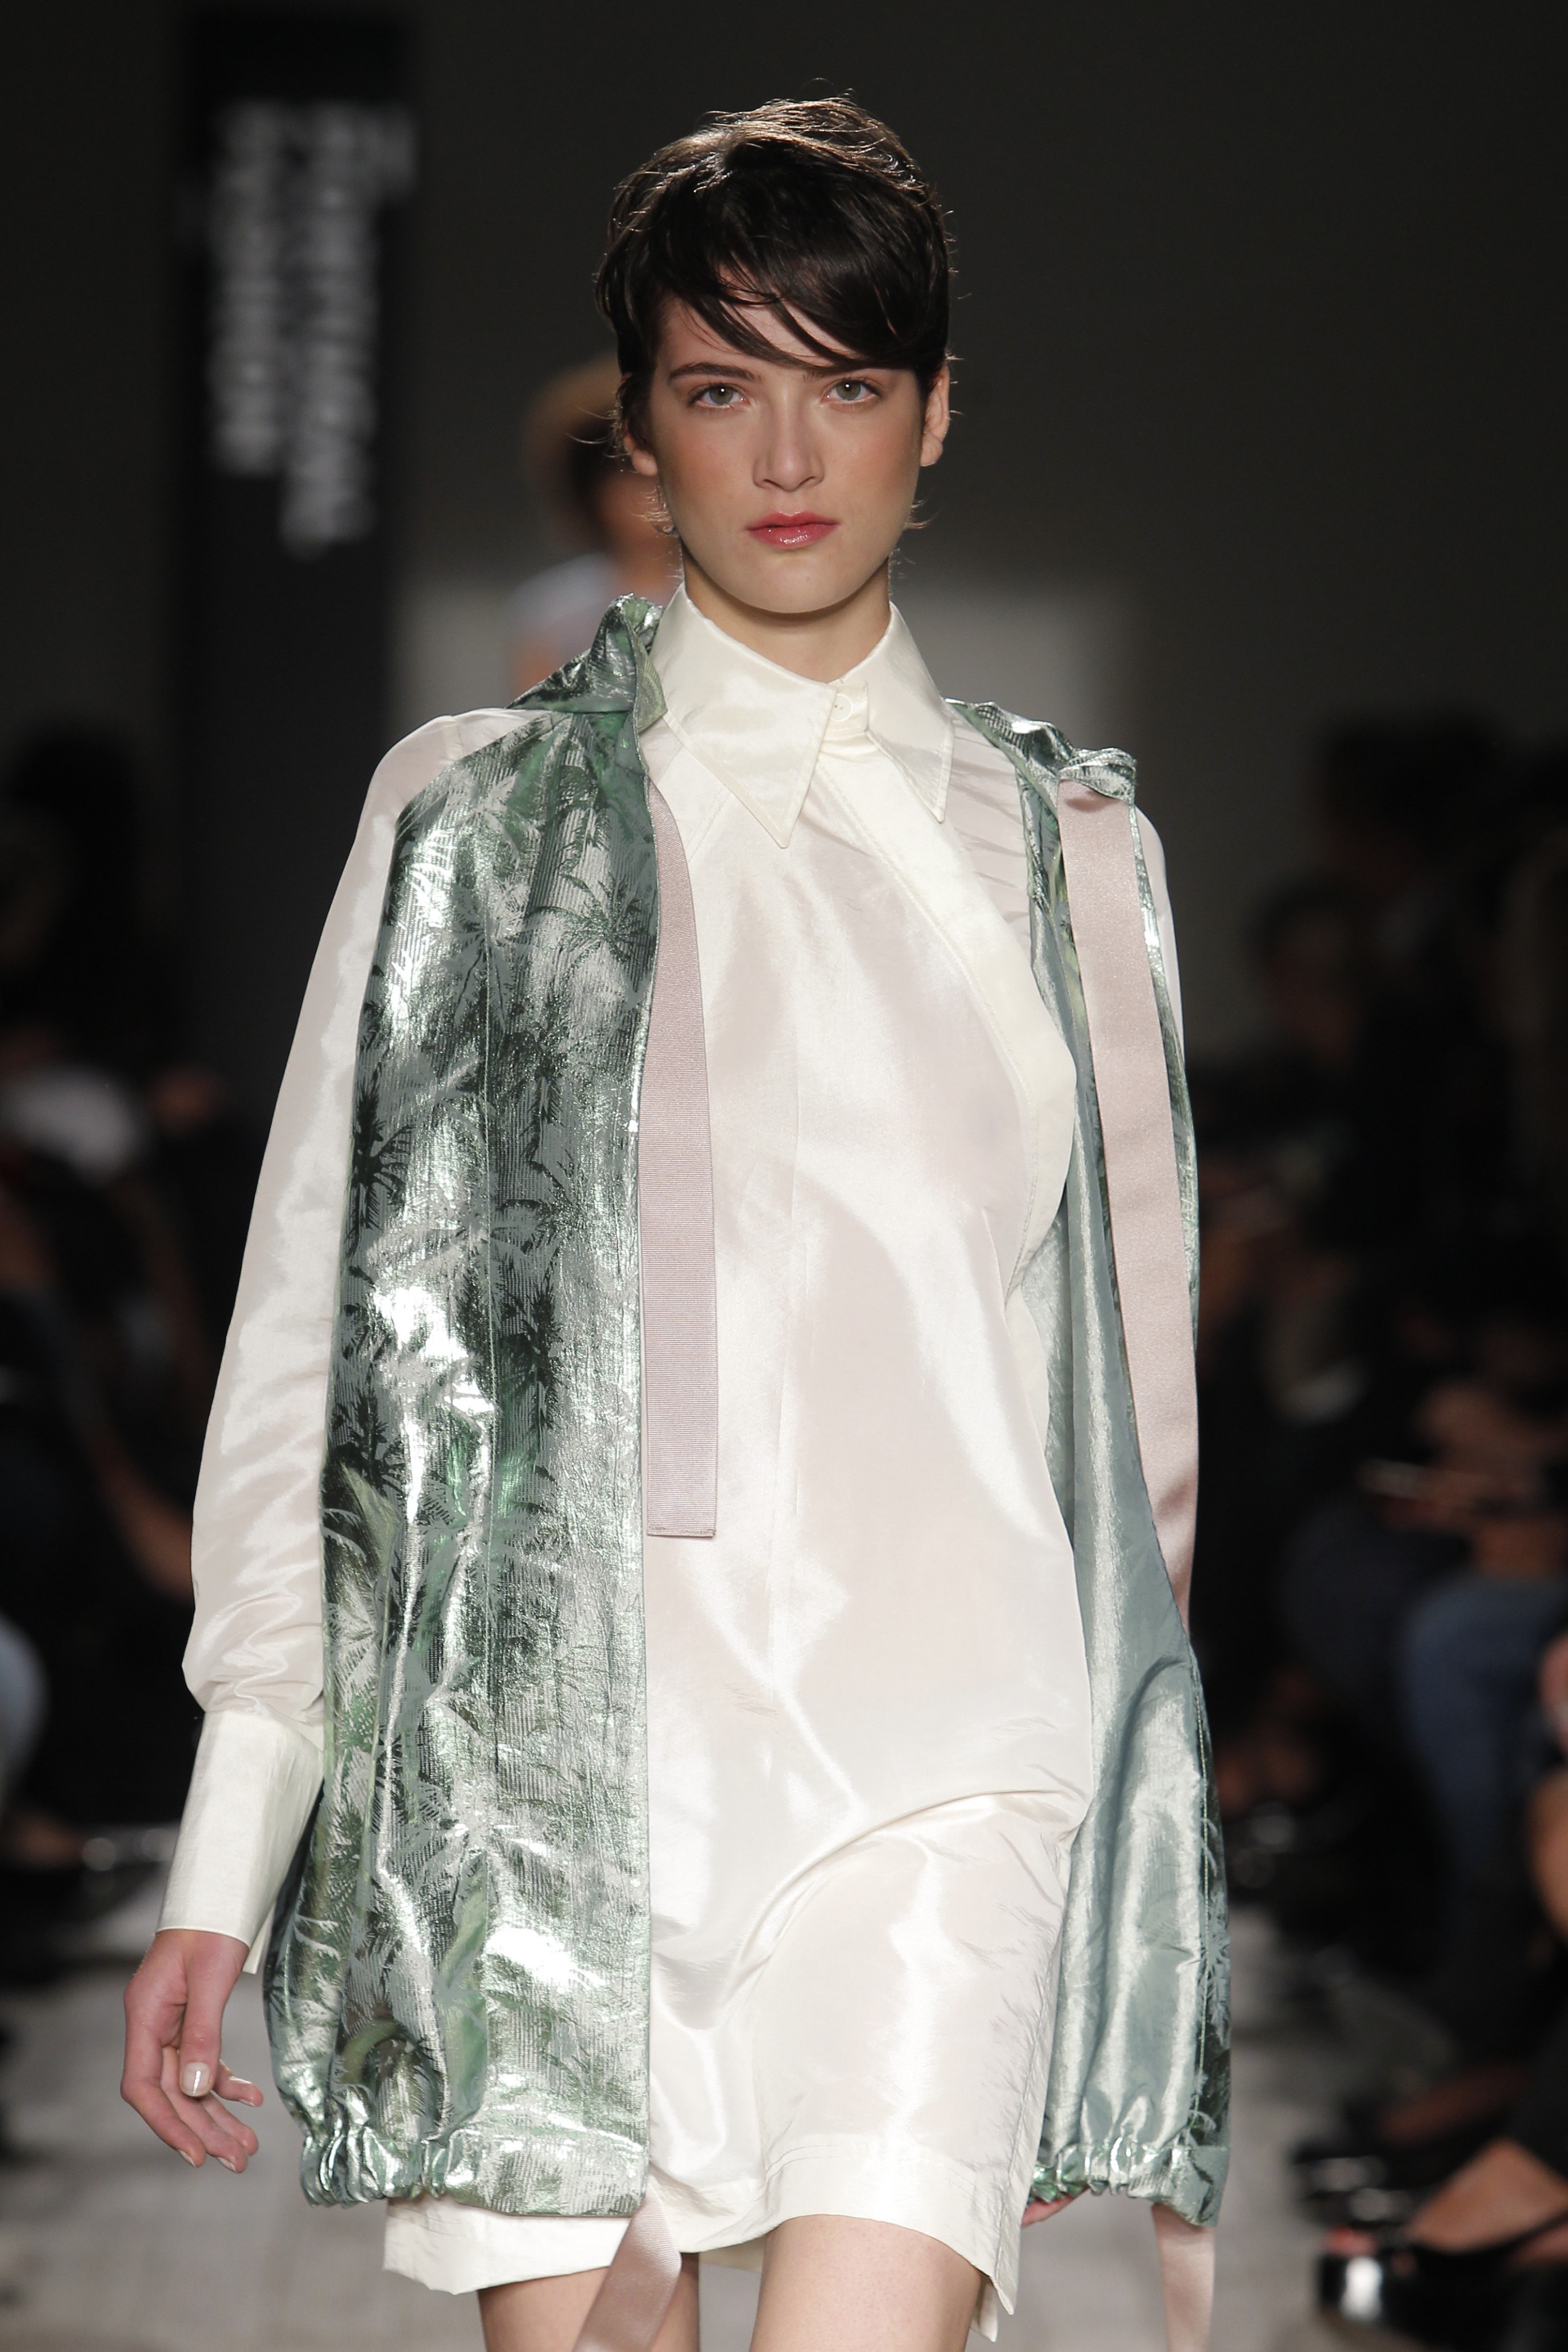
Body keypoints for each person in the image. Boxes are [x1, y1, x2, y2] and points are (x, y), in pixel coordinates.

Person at [121, 100, 1226, 2352]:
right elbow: (315, 1336)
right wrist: (236, 1830)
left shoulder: (1072, 856)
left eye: (849, 383)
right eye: (724, 387)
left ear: (933, 413)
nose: (789, 454)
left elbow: (1137, 1423)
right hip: (542, 1783)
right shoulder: (466, 820)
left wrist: (1117, 1873)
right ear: (639, 428)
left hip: (950, 1769)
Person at [511, 355, 679, 692]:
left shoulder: (729, 601)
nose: (646, 497)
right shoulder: (553, 612)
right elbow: (534, 714)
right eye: (624, 478)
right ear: (592, 493)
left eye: (658, 478)